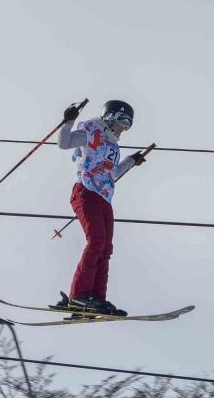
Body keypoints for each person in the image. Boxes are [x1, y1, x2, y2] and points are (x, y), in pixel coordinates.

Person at [55, 99, 146, 316]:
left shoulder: (113, 145)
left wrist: (131, 161)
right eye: (123, 121)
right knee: (96, 241)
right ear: (110, 117)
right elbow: (64, 143)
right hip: (85, 192)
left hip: (104, 197)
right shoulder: (92, 130)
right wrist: (68, 121)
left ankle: (95, 298)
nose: (124, 128)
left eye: (129, 124)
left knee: (106, 248)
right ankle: (79, 296)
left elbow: (111, 175)